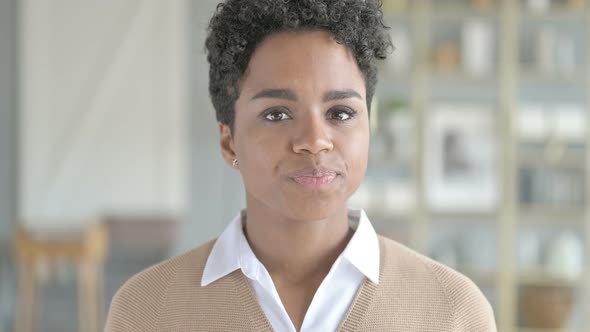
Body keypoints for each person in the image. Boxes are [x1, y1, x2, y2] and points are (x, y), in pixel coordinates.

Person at [105, 0, 497, 331]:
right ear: (228, 141)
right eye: (277, 114)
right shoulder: (146, 312)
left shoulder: (454, 312)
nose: (314, 140)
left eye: (341, 113)